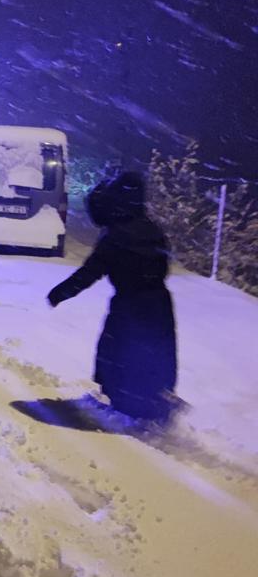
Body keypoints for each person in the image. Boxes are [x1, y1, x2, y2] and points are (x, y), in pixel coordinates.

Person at [47, 171, 178, 421]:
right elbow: (163, 265)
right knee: (154, 353)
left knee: (119, 355)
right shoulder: (153, 229)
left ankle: (130, 408)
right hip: (159, 303)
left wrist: (60, 293)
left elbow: (90, 272)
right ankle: (156, 400)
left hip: (129, 304)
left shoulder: (115, 237)